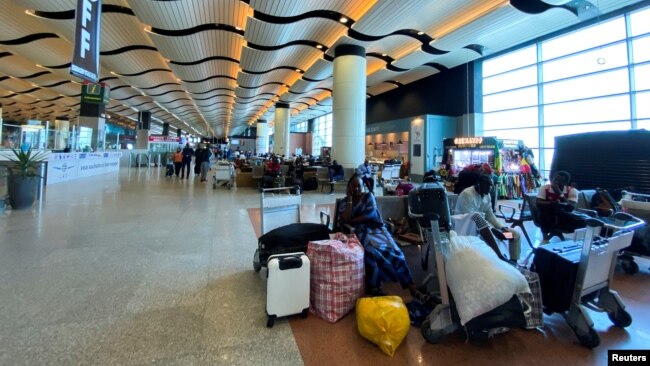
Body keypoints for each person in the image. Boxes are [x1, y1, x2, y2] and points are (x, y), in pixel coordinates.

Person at [338, 174, 430, 303]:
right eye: (353, 186)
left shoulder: (369, 197)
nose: (357, 189)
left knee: (396, 253)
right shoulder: (345, 202)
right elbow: (344, 218)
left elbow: (369, 215)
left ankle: (412, 289)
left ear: (363, 186)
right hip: (361, 232)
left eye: (359, 186)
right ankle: (374, 288)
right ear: (349, 188)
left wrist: (352, 220)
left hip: (378, 230)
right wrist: (349, 199)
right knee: (371, 253)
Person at [455, 174, 521, 262]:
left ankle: (513, 261)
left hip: (487, 228)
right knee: (495, 238)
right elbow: (472, 220)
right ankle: (501, 261)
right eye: (487, 186)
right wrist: (493, 230)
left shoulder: (486, 194)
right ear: (479, 184)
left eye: (491, 186)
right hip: (470, 230)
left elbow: (490, 215)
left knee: (514, 235)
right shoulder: (467, 195)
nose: (490, 189)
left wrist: (502, 227)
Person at [536, 170, 586, 243]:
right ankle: (545, 238)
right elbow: (538, 202)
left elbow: (571, 207)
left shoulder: (572, 191)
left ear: (565, 183)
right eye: (555, 179)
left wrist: (559, 193)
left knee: (582, 220)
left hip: (563, 215)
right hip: (548, 214)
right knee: (543, 211)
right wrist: (552, 203)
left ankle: (581, 242)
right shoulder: (544, 188)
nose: (556, 182)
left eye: (559, 181)